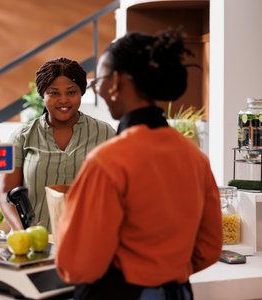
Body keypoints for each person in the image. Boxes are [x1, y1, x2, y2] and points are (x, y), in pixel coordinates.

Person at [56, 29, 223, 299]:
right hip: (177, 293)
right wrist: (164, 275)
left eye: (99, 80)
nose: (98, 88)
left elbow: (78, 265)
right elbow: (209, 248)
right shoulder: (195, 158)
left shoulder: (107, 160)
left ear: (117, 81)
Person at [0, 57, 116, 231]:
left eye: (71, 92)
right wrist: (23, 232)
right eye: (54, 93)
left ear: (81, 93)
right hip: (38, 244)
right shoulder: (22, 138)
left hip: (91, 240)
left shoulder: (105, 134)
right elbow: (5, 193)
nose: (63, 100)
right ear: (42, 95)